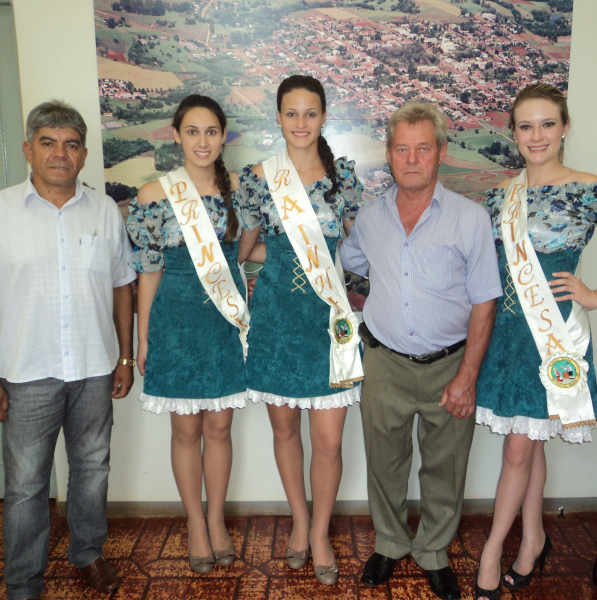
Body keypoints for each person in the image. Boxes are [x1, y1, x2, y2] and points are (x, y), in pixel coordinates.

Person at [473, 83, 597, 600]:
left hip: (554, 337)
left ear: (565, 128)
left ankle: (494, 549)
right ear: (513, 133)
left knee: (518, 450)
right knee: (530, 440)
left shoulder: (592, 188)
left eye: (547, 124)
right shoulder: (502, 194)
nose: (536, 136)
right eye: (525, 126)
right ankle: (535, 536)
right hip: (509, 335)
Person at [0, 100, 136, 600]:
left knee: (92, 471)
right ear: (30, 149)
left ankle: (88, 554)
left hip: (95, 369)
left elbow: (123, 286)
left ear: (83, 153)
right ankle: (24, 581)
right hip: (26, 374)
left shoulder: (103, 212)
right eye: (49, 143)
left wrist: (125, 356)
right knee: (27, 486)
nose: (60, 154)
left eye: (71, 144)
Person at [340, 102, 502, 600]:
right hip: (384, 363)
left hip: (450, 365)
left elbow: (485, 301)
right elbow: (348, 265)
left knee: (444, 468)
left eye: (423, 148)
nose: (412, 159)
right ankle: (389, 543)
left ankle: (433, 551)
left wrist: (467, 377)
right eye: (402, 149)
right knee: (384, 462)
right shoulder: (370, 217)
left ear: (441, 153)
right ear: (389, 155)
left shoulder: (469, 219)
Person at [126, 95, 262, 574]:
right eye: (192, 131)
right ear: (176, 134)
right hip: (175, 323)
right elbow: (148, 270)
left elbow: (243, 250)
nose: (202, 141)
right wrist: (144, 338)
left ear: (223, 137)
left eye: (211, 132)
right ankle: (195, 524)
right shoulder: (152, 196)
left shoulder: (238, 194)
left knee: (220, 427)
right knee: (185, 429)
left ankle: (217, 519)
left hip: (222, 322)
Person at [239, 75, 365, 586]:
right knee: (285, 430)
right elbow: (247, 250)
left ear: (323, 117)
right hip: (276, 321)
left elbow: (356, 253)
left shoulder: (345, 180)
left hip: (328, 323)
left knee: (329, 443)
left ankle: (320, 532)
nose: (300, 123)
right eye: (291, 113)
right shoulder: (257, 178)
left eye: (310, 113)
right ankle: (298, 520)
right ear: (278, 117)